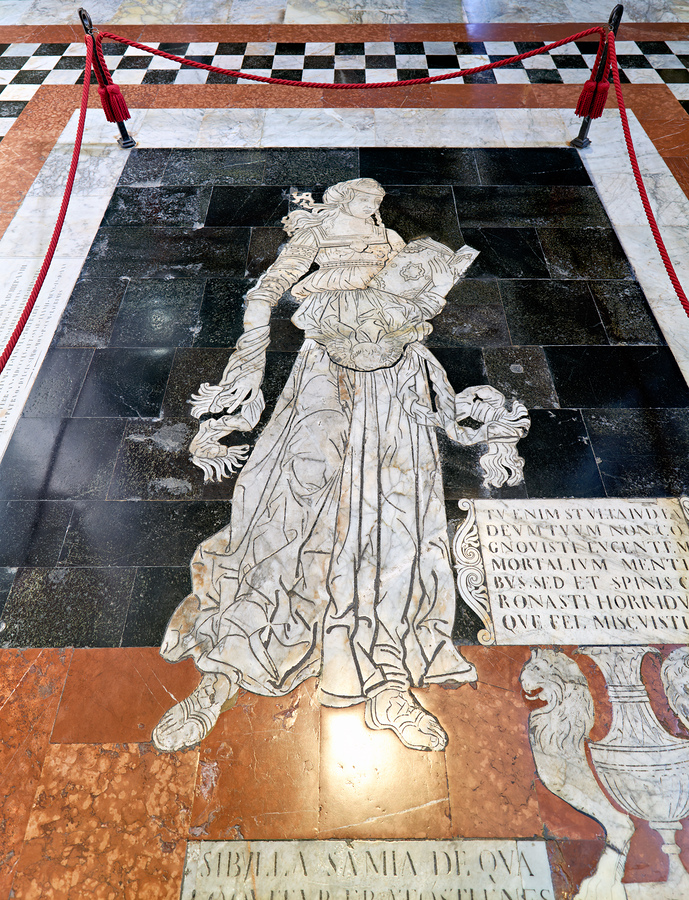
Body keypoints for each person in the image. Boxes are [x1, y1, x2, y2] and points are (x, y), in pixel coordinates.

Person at [152, 178, 528, 754]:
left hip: (397, 374)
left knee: (395, 522)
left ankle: (388, 682)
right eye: (365, 199)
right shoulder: (313, 232)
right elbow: (265, 293)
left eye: (378, 202)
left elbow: (416, 290)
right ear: (344, 199)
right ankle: (221, 675)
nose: (374, 208)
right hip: (327, 367)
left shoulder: (393, 238)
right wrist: (247, 374)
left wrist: (421, 291)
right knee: (284, 512)